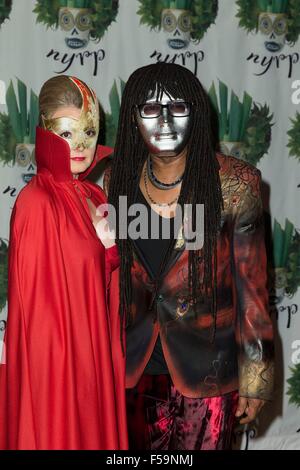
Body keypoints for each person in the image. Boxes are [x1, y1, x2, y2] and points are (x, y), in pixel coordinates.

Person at [106, 62, 274, 450]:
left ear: (195, 114)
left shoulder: (235, 183)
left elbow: (253, 289)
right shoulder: (117, 179)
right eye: (150, 109)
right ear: (133, 118)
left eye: (177, 107)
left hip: (207, 372)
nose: (164, 120)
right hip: (134, 369)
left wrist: (256, 375)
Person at [0, 75, 127, 450]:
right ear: (45, 131)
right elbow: (36, 319)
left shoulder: (93, 193)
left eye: (89, 132)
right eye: (67, 133)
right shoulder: (35, 202)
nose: (81, 146)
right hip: (59, 376)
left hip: (96, 360)